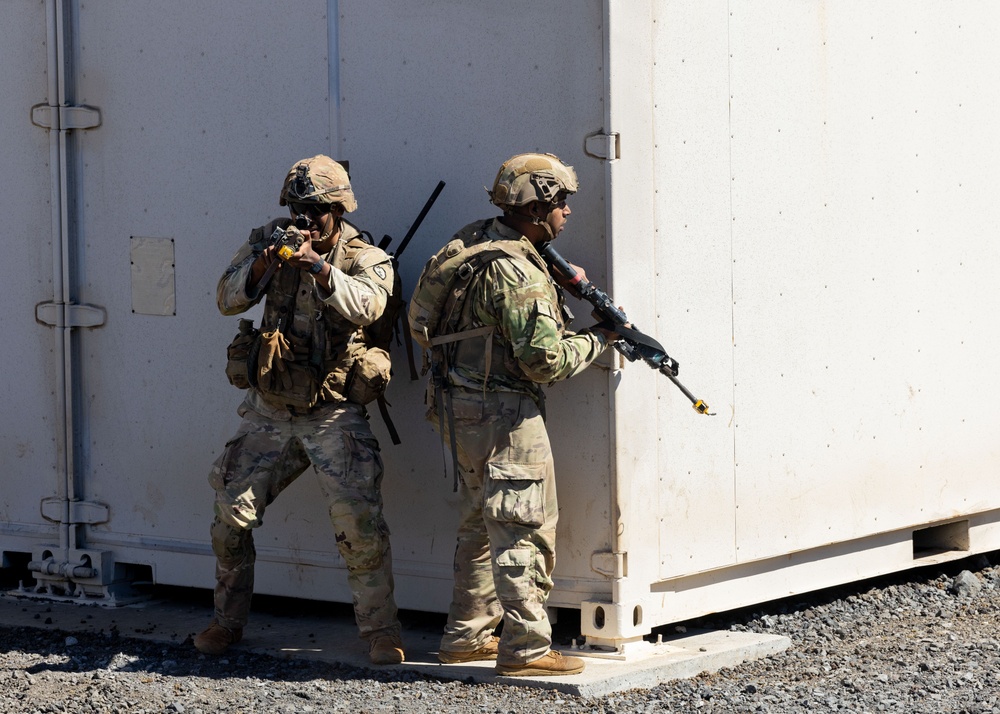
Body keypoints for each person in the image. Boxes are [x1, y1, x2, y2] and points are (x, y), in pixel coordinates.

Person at [411, 153, 616, 676]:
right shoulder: (519, 271)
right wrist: (598, 340)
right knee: (524, 525)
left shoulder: (475, 239)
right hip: (504, 414)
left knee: (480, 524)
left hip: (456, 408)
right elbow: (544, 361)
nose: (567, 211)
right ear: (535, 205)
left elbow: (418, 320)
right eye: (560, 201)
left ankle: (465, 636)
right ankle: (525, 648)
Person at [194, 155, 404, 665]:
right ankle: (226, 623)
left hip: (333, 412)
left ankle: (381, 632)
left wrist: (319, 267)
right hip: (270, 409)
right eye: (296, 208)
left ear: (337, 209)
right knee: (231, 518)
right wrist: (265, 263)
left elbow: (370, 307)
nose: (303, 220)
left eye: (314, 211)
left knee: (360, 527)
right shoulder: (269, 239)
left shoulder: (365, 257)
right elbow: (225, 297)